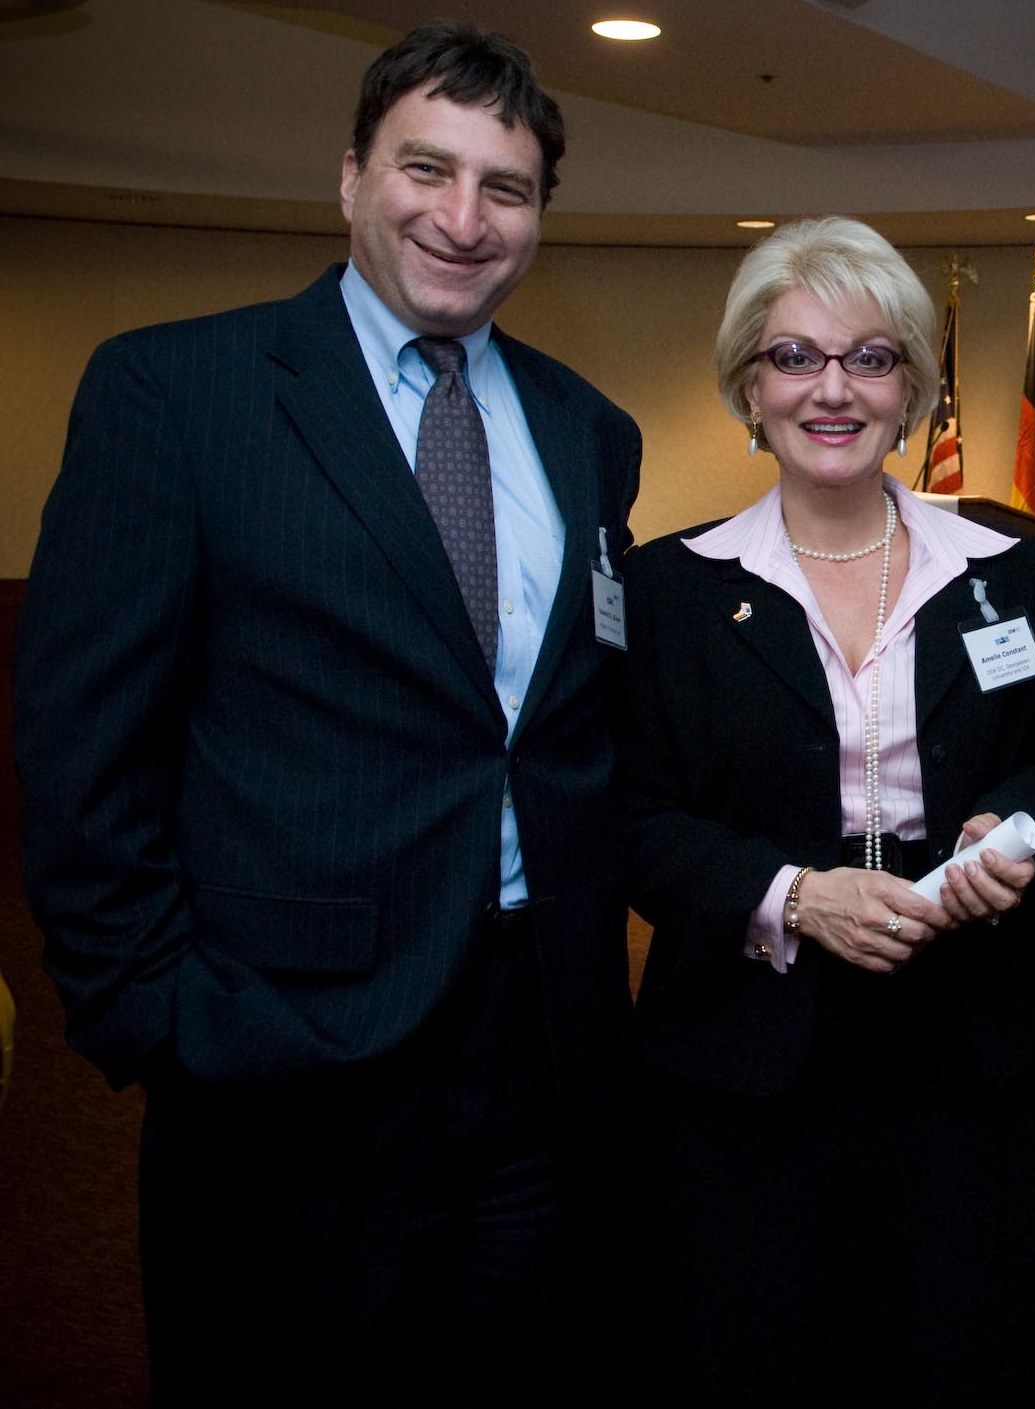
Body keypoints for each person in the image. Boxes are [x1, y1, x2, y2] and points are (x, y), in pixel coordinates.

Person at [13, 23, 643, 1407]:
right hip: (283, 1065)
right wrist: (161, 1018)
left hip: (543, 1058)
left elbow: (570, 726)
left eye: (506, 188)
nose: (464, 219)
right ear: (351, 176)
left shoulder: (590, 428)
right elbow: (79, 748)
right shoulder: (178, 391)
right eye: (428, 169)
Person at [618, 216, 1035, 1408]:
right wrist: (792, 894)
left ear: (911, 389)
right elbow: (632, 819)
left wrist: (1011, 828)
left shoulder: (1008, 565)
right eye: (795, 357)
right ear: (750, 385)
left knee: (979, 1352)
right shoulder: (670, 589)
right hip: (751, 1059)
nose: (832, 389)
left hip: (978, 1048)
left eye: (870, 358)